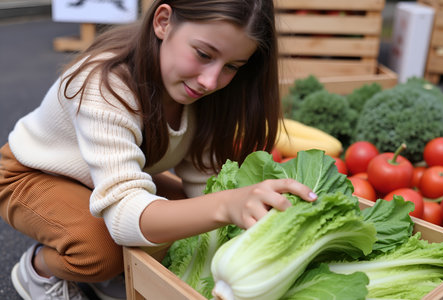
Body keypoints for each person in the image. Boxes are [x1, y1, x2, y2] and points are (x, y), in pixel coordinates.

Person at [0, 1, 318, 299]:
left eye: (232, 66)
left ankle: (107, 269)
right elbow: (126, 215)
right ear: (163, 22)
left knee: (186, 219)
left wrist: (225, 216)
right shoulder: (103, 85)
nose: (211, 81)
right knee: (100, 250)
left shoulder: (202, 93)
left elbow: (202, 186)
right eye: (204, 54)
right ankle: (40, 269)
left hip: (97, 180)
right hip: (31, 175)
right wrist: (225, 206)